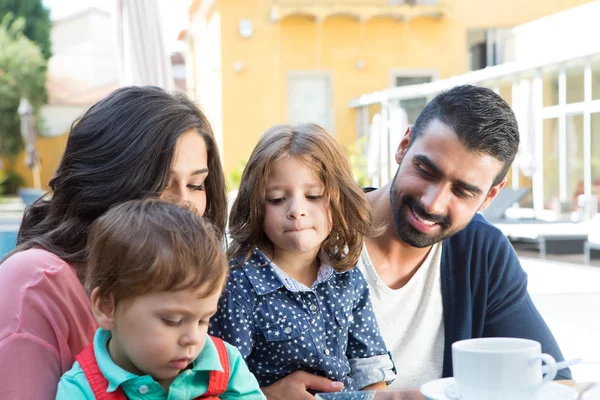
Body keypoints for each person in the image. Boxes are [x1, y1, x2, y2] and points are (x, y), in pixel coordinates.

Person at [259, 85, 571, 398]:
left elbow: (556, 383)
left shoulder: (480, 251)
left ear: (490, 195)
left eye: (463, 191)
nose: (433, 204)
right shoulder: (303, 229)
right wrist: (263, 393)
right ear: (404, 145)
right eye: (425, 170)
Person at [0, 86, 228, 400]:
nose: (184, 203)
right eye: (159, 184)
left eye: (196, 184)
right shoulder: (34, 281)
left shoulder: (187, 275)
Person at [209, 124, 396, 395]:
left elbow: (369, 362)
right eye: (276, 199)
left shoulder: (346, 275)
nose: (297, 210)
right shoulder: (237, 285)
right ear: (256, 206)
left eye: (313, 196)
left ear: (339, 200)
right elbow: (224, 384)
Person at [55, 199, 264, 399]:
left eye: (203, 320)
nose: (193, 338)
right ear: (107, 306)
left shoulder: (225, 365)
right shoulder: (81, 390)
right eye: (172, 320)